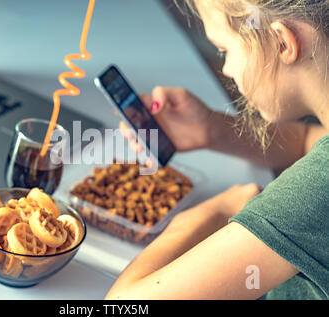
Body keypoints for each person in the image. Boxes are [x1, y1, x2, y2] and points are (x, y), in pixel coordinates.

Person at [105, 0, 328, 300]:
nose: (226, 68)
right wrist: (214, 129)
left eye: (224, 50)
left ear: (282, 43)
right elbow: (310, 142)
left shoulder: (314, 194)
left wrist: (217, 211)